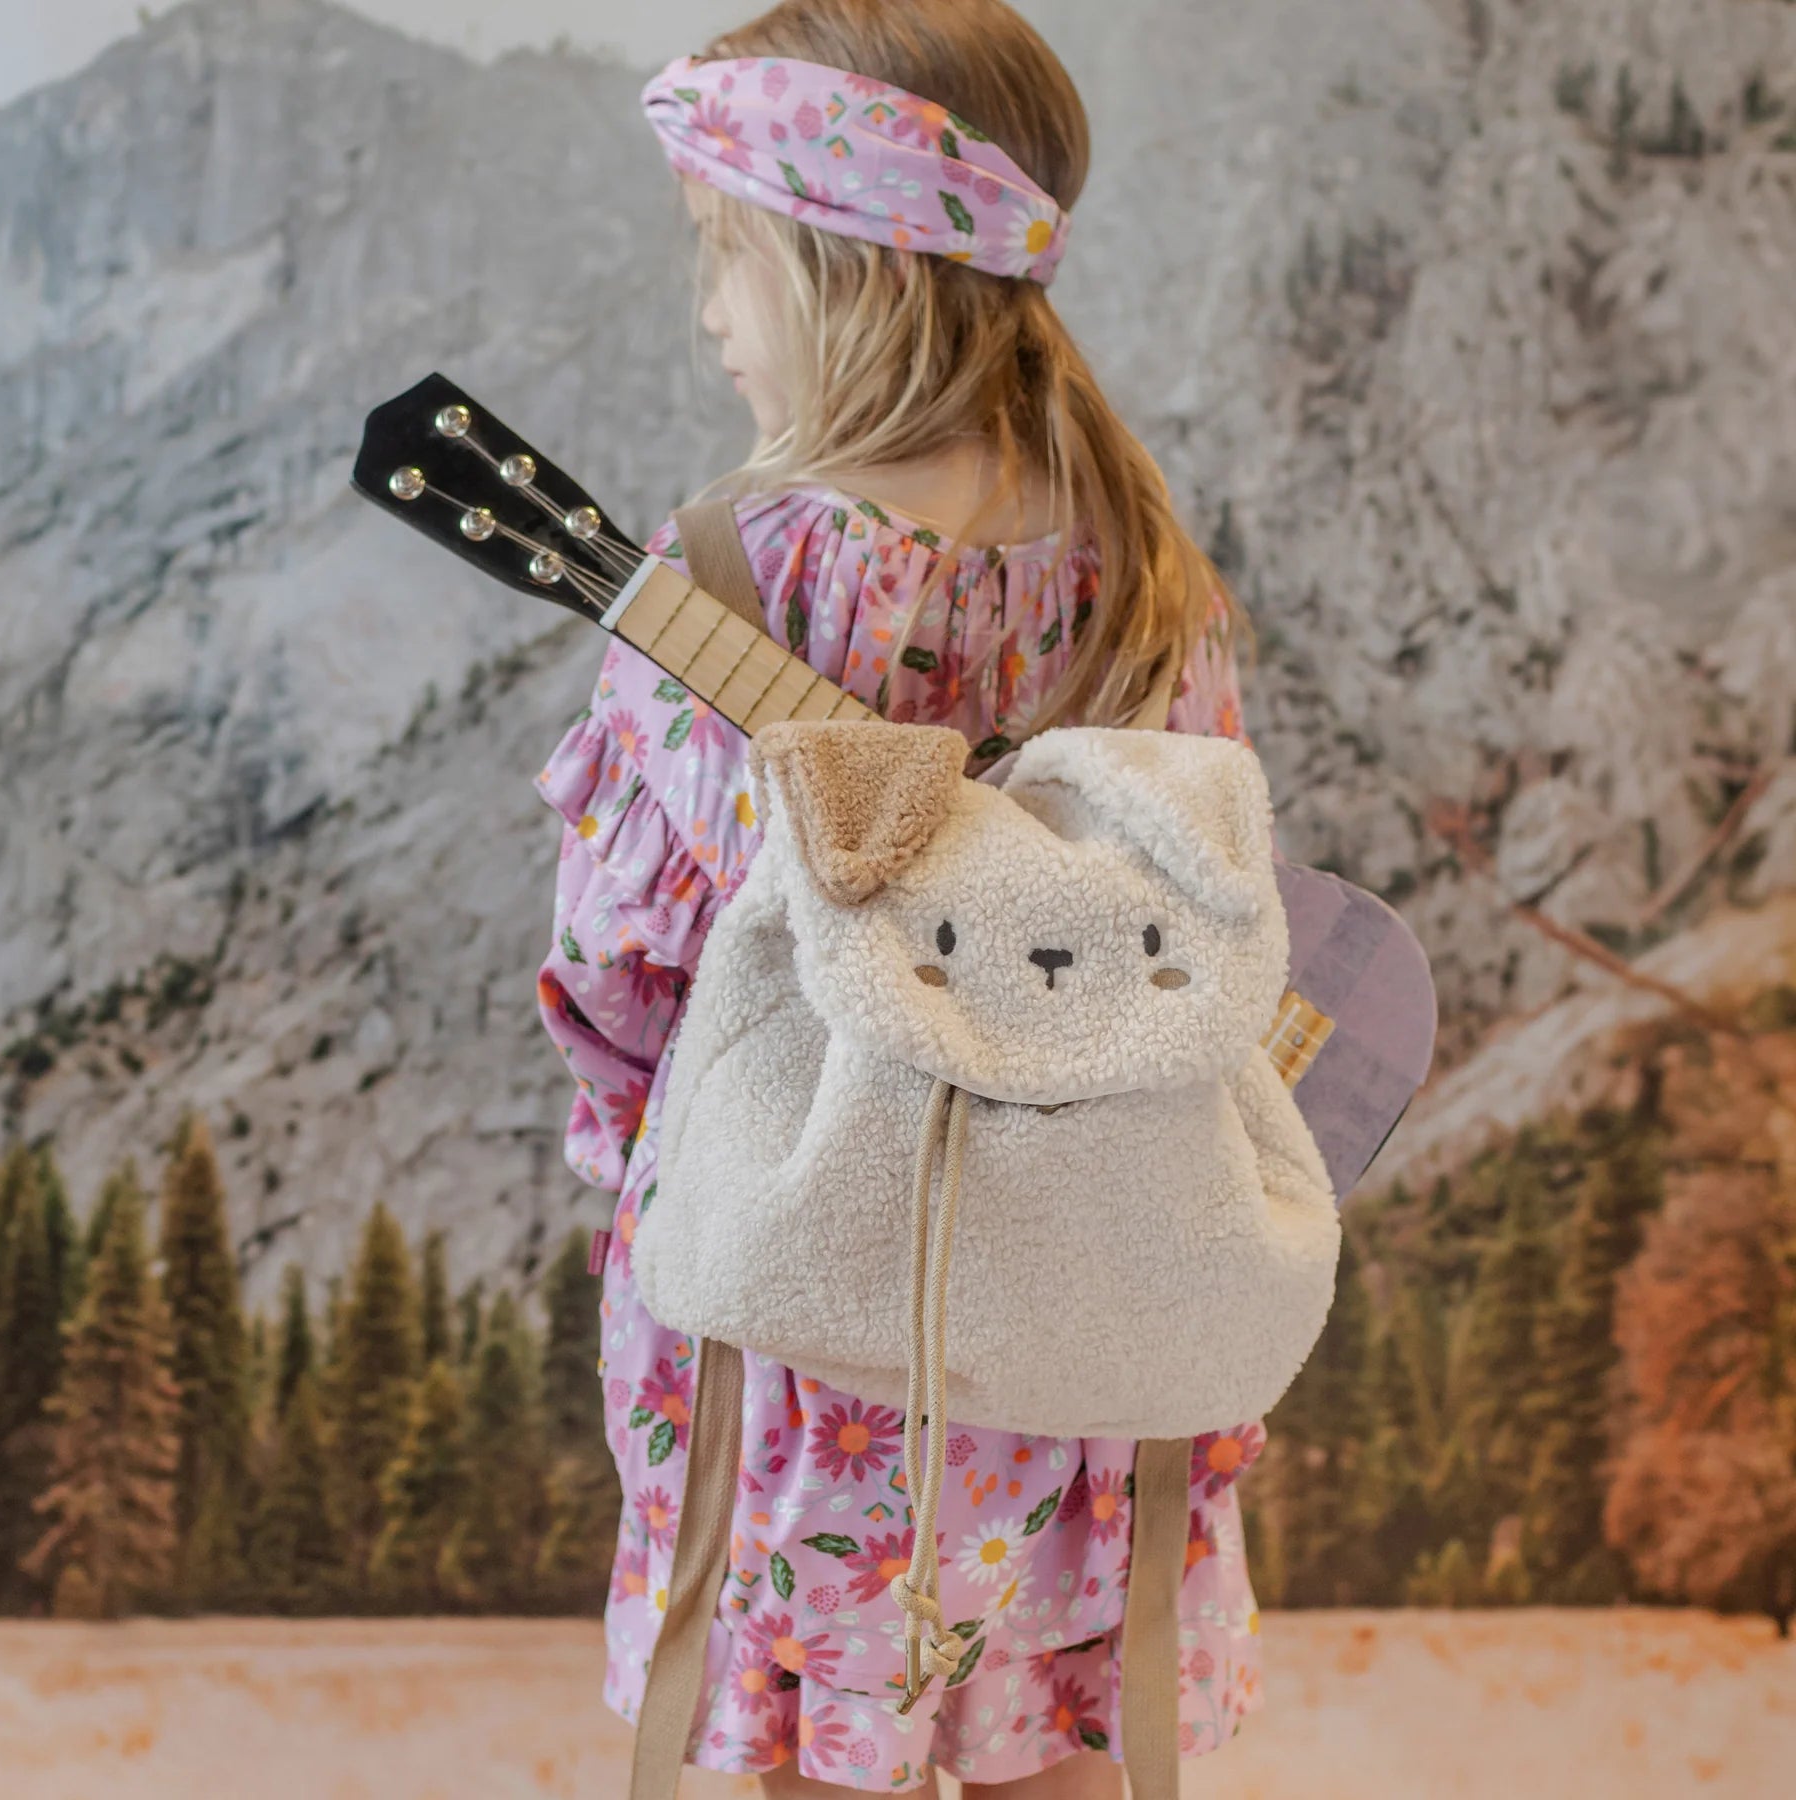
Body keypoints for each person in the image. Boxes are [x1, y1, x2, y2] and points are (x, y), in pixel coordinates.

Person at [534, 3, 1264, 1793]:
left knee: (796, 1748)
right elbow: (1196, 935)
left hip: (810, 1333)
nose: (710, 313)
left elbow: (625, 970)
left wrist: (634, 1156)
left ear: (843, 260)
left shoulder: (730, 575)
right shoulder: (1147, 573)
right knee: (1056, 1745)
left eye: (726, 254)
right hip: (1081, 1329)